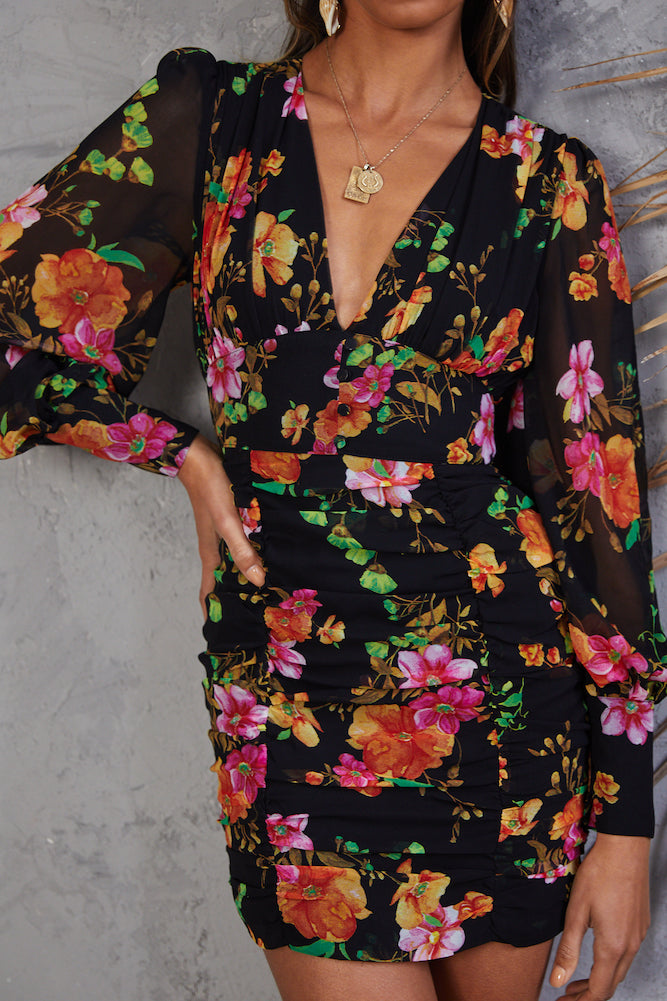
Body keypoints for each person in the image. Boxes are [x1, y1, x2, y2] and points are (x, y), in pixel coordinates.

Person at [0, 1, 664, 999]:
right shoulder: (213, 118)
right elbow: (14, 335)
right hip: (289, 688)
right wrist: (181, 454)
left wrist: (624, 823)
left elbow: (592, 494)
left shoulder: (547, 178)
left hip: (501, 700)